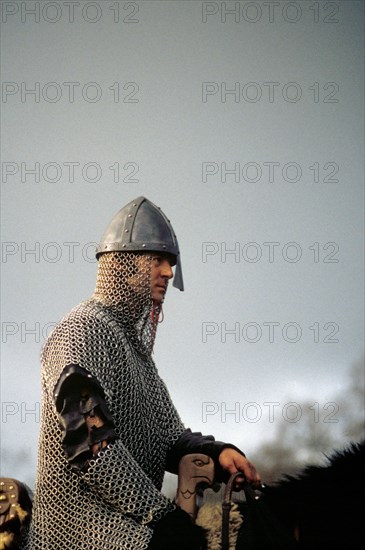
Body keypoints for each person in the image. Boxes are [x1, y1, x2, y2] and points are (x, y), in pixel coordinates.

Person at [24, 196, 260, 549]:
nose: (168, 272)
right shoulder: (82, 330)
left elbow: (165, 438)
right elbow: (91, 445)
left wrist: (217, 452)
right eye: (158, 260)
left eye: (171, 262)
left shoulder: (133, 348)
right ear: (123, 265)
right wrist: (160, 518)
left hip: (130, 524)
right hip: (81, 531)